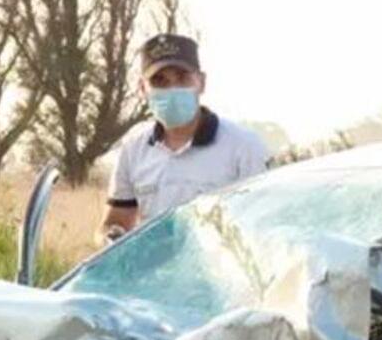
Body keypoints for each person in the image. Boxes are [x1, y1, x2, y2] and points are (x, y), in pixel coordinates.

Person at [101, 33, 271, 243]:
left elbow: (265, 225)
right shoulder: (133, 149)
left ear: (201, 82)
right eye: (159, 81)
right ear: (142, 89)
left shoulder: (244, 146)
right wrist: (110, 239)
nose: (172, 89)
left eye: (182, 78)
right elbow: (115, 223)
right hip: (154, 272)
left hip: (220, 272)